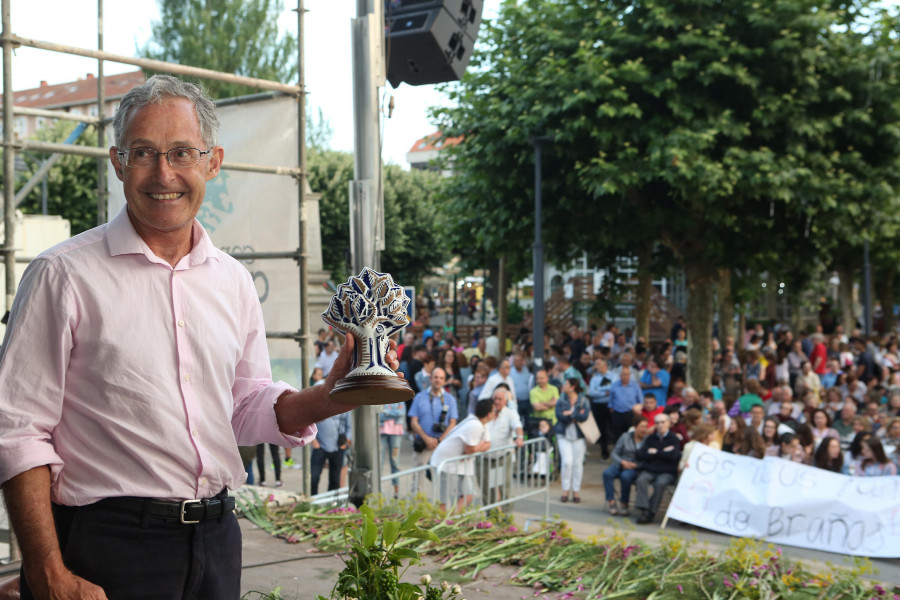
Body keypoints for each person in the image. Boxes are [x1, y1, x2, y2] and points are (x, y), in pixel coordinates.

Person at [0, 76, 399, 600]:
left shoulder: (232, 280)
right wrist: (45, 569)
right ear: (119, 163)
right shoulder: (63, 275)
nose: (163, 173)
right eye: (144, 153)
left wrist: (331, 396)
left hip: (216, 541)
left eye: (183, 152)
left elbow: (243, 406)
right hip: (107, 546)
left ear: (213, 161)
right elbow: (16, 427)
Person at [430, 399, 493, 512]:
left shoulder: (481, 423)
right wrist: (478, 447)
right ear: (489, 414)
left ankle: (452, 520)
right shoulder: (475, 425)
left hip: (460, 466)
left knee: (468, 494)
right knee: (444, 501)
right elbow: (470, 451)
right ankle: (443, 523)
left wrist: (476, 448)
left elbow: (487, 444)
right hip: (445, 464)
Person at [408, 368, 459, 488]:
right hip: (423, 444)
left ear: (445, 381)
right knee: (418, 480)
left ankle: (440, 505)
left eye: (441, 378)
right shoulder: (419, 397)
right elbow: (413, 422)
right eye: (435, 377)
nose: (438, 380)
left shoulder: (450, 399)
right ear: (430, 379)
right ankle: (417, 504)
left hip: (442, 445)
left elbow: (453, 423)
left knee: (443, 479)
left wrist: (439, 440)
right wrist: (427, 439)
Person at [635, 413, 682, 524]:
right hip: (650, 469)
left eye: (663, 422)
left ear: (668, 423)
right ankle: (645, 509)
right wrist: (664, 452)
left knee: (660, 484)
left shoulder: (673, 438)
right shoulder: (651, 438)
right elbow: (642, 454)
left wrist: (656, 451)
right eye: (657, 423)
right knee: (641, 480)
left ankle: (651, 512)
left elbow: (674, 456)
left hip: (667, 471)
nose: (660, 425)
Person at [603, 415, 648, 516]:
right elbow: (614, 453)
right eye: (642, 426)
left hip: (635, 466)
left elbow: (648, 458)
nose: (644, 429)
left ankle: (624, 503)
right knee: (607, 473)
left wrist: (636, 465)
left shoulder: (647, 440)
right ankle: (611, 501)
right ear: (635, 427)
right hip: (621, 463)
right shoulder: (625, 437)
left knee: (625, 476)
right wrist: (622, 462)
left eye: (646, 427)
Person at [554, 378, 591, 503]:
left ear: (573, 386)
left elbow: (585, 416)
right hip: (564, 434)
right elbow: (559, 416)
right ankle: (565, 489)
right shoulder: (562, 399)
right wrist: (576, 415)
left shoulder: (583, 400)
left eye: (566, 384)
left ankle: (576, 490)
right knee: (567, 462)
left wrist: (570, 413)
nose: (564, 386)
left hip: (579, 435)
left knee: (578, 463)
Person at [310, 412, 352, 495]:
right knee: (314, 477)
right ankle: (313, 500)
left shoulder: (345, 405)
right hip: (320, 447)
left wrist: (346, 441)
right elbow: (309, 422)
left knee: (335, 480)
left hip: (338, 447)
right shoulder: (319, 403)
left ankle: (332, 504)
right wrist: (313, 441)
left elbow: (349, 426)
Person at [587, 357, 617, 459]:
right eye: (596, 364)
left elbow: (614, 389)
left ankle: (617, 451)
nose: (596, 367)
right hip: (598, 406)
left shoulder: (614, 376)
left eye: (598, 364)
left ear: (605, 365)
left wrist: (598, 389)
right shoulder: (594, 378)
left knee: (615, 428)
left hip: (611, 405)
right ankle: (604, 452)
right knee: (602, 429)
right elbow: (591, 392)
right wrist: (605, 392)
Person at [609, 366, 644, 443]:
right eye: (623, 374)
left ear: (630, 375)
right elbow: (611, 399)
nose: (625, 376)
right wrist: (611, 408)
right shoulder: (614, 385)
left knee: (631, 433)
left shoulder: (635, 385)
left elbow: (640, 400)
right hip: (617, 413)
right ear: (620, 375)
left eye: (627, 374)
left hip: (630, 413)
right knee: (617, 434)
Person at [379, 401, 406, 498]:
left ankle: (396, 491)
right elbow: (378, 414)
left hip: (396, 431)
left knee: (395, 461)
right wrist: (394, 413)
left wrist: (386, 412)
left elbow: (402, 413)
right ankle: (378, 490)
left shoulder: (398, 394)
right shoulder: (380, 396)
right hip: (381, 430)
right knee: (379, 462)